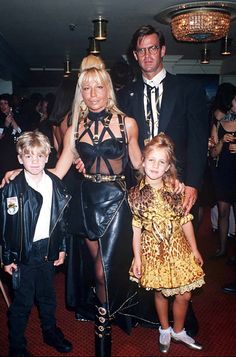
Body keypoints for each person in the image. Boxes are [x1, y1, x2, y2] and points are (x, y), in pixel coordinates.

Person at [117, 24, 209, 218]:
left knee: (180, 245)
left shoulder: (189, 89)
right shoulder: (125, 95)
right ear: (135, 55)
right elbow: (119, 141)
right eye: (141, 50)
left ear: (163, 51)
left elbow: (198, 141)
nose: (147, 54)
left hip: (180, 183)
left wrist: (192, 184)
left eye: (153, 48)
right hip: (139, 186)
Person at [129, 133, 205, 353]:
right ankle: (164, 328)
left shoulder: (175, 189)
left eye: (161, 162)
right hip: (153, 250)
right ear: (143, 162)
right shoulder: (135, 194)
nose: (155, 166)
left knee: (184, 294)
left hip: (179, 247)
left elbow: (185, 221)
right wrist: (137, 257)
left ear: (168, 166)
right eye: (151, 160)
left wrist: (195, 249)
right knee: (161, 291)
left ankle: (178, 330)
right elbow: (136, 229)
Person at [0, 131, 72, 357]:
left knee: (48, 297)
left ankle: (49, 332)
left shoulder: (55, 184)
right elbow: (4, 226)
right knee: (22, 302)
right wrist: (7, 258)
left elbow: (61, 221)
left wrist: (61, 247)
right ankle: (17, 345)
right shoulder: (12, 188)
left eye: (40, 156)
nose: (35, 161)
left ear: (47, 157)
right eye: (29, 156)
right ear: (20, 158)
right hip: (24, 254)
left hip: (47, 250)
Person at [209, 83, 236, 258]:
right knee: (223, 213)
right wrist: (221, 141)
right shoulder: (218, 123)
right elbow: (212, 153)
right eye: (234, 99)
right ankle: (223, 249)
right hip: (223, 173)